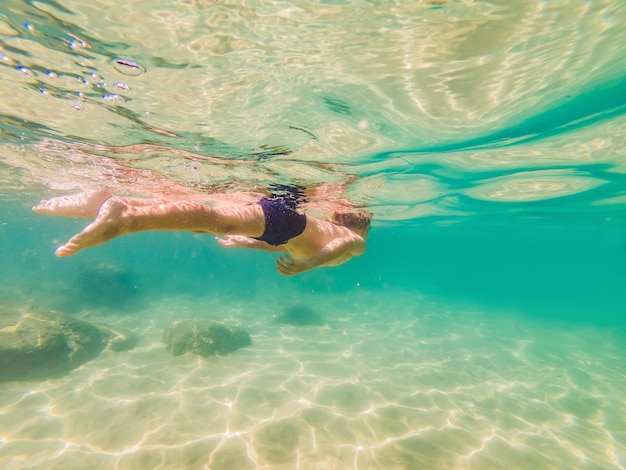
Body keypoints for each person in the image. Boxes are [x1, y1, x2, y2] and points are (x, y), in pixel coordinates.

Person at [33, 189, 371, 276]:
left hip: (282, 231)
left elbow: (297, 249)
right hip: (288, 224)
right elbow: (338, 246)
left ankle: (111, 202)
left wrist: (247, 245)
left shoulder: (329, 232)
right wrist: (310, 266)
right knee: (216, 219)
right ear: (361, 224)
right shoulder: (354, 242)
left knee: (206, 221)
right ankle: (126, 216)